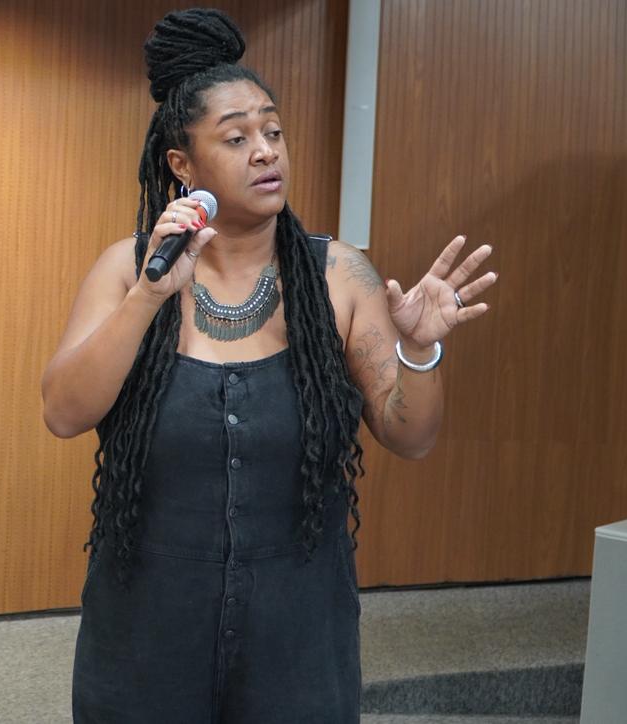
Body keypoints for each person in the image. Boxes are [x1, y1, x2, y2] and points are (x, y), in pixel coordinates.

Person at [40, 8, 497, 722]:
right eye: (237, 137)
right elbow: (64, 413)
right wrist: (149, 296)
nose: (265, 152)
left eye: (274, 132)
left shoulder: (340, 277)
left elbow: (411, 436)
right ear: (182, 166)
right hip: (147, 626)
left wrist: (417, 349)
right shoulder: (128, 270)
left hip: (298, 629)